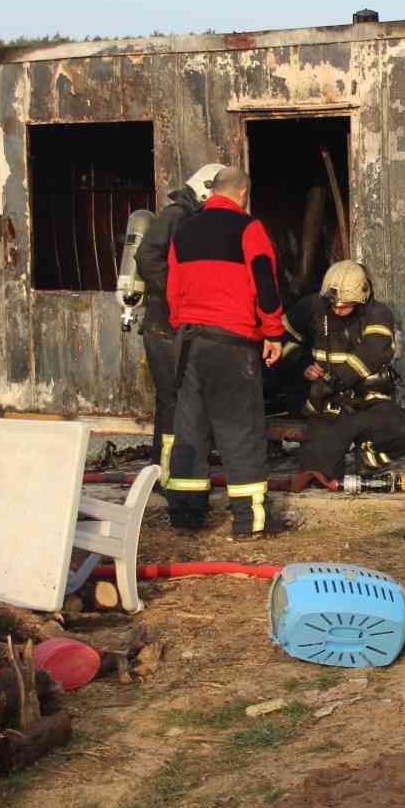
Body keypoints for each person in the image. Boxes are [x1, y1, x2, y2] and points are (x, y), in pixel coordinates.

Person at [164, 165, 285, 537]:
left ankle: (185, 514)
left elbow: (173, 290)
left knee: (189, 428)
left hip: (189, 342)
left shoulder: (183, 231)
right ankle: (249, 520)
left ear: (212, 191)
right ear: (243, 193)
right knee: (240, 430)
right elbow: (265, 284)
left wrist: (184, 325)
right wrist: (273, 332)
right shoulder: (250, 229)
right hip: (232, 344)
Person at [278, 260, 405, 478]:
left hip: (368, 402)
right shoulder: (313, 308)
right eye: (333, 304)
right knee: (319, 474)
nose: (337, 309)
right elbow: (281, 338)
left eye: (344, 305)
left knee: (404, 434)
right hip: (328, 408)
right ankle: (333, 450)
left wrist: (333, 380)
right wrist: (302, 364)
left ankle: (368, 456)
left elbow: (373, 352)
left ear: (362, 296)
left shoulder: (378, 314)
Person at [133, 163, 224, 469]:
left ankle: (186, 459)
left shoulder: (197, 220)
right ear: (206, 189)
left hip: (183, 327)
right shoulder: (175, 216)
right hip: (164, 329)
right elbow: (146, 257)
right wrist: (179, 293)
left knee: (190, 398)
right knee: (171, 399)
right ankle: (164, 468)